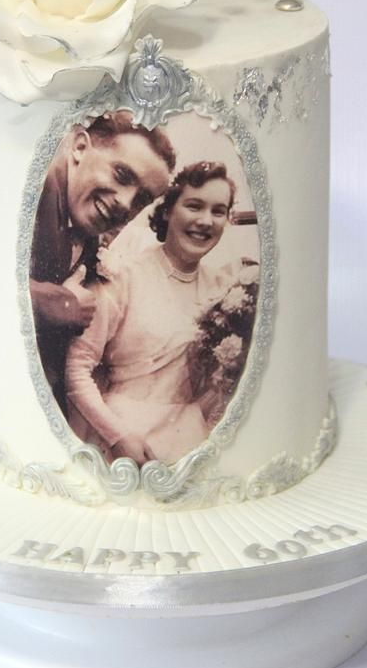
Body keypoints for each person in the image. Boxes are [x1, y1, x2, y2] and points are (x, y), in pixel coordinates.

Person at [65, 161, 251, 465]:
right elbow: (77, 370)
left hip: (189, 437)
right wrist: (119, 437)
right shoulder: (123, 276)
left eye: (218, 211)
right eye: (194, 206)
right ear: (167, 211)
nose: (205, 221)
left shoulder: (225, 289)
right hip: (123, 435)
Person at [30, 111, 176, 412]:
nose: (125, 202)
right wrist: (64, 304)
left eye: (141, 199)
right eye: (122, 175)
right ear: (80, 148)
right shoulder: (32, 191)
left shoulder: (89, 233)